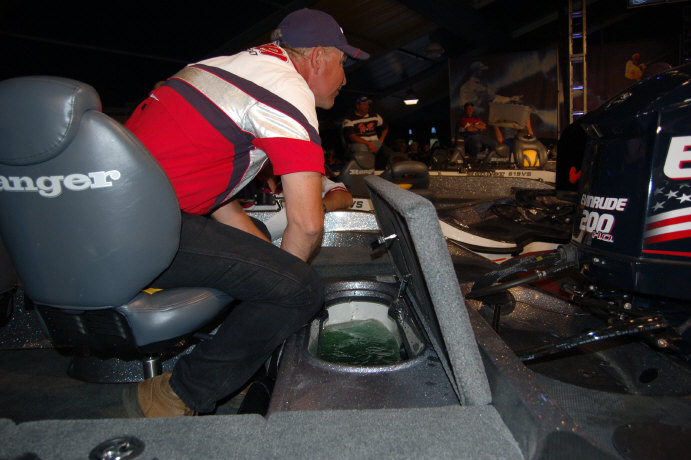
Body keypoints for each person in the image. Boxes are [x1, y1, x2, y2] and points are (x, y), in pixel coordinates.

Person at [121, 8, 369, 418]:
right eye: (342, 63)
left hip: (116, 219)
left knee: (259, 241)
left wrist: (272, 267)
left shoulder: (220, 67)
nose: (344, 79)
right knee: (301, 289)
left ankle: (234, 363)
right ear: (318, 57)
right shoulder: (286, 86)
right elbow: (308, 225)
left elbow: (218, 200)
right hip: (140, 229)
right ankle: (176, 394)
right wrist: (287, 285)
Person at [342, 96, 394, 166]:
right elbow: (352, 137)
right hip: (359, 144)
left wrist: (381, 140)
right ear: (358, 106)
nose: (367, 106)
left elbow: (385, 127)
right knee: (363, 150)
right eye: (364, 104)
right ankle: (366, 168)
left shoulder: (374, 116)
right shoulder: (349, 119)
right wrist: (369, 144)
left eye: (367, 104)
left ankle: (389, 169)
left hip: (374, 143)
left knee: (390, 153)